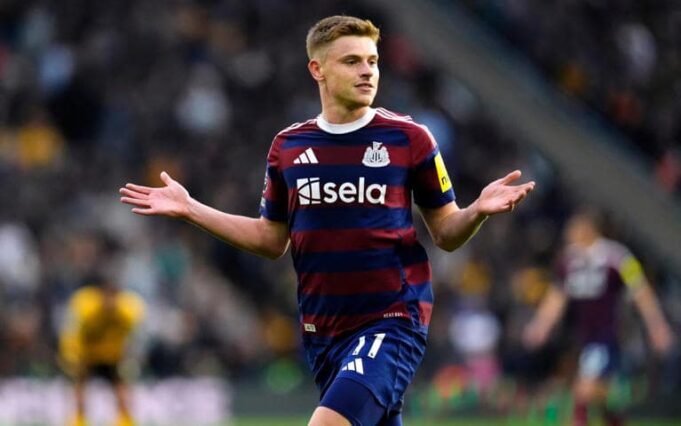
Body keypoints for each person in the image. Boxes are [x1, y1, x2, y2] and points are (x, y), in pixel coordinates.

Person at [119, 15, 534, 426]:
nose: (367, 71)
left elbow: (445, 232)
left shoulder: (409, 138)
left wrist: (476, 212)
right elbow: (269, 239)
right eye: (352, 61)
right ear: (317, 69)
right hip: (324, 333)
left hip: (391, 322)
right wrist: (192, 208)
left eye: (372, 61)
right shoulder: (289, 147)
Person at [523, 209, 673, 426]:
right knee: (602, 398)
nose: (568, 236)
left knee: (582, 392)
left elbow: (641, 291)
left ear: (587, 231)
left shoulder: (617, 257)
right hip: (582, 337)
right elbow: (557, 297)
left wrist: (657, 326)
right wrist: (540, 325)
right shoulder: (568, 261)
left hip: (607, 336)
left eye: (572, 231)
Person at [59, 279, 146, 426]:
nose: (110, 303)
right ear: (101, 296)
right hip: (88, 356)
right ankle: (79, 421)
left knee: (121, 389)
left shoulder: (128, 311)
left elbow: (136, 336)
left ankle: (125, 422)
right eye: (107, 297)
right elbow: (72, 332)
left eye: (114, 298)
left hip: (114, 356)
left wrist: (133, 357)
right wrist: (71, 355)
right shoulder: (86, 308)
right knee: (80, 388)